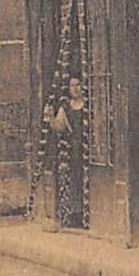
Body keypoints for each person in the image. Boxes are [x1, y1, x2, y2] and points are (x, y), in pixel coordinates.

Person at [50, 75, 90, 230]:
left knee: (85, 179)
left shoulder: (87, 105)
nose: (76, 88)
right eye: (72, 85)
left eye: (78, 85)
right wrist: (51, 119)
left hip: (86, 147)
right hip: (73, 148)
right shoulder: (65, 108)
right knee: (74, 180)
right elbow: (59, 127)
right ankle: (75, 214)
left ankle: (86, 214)